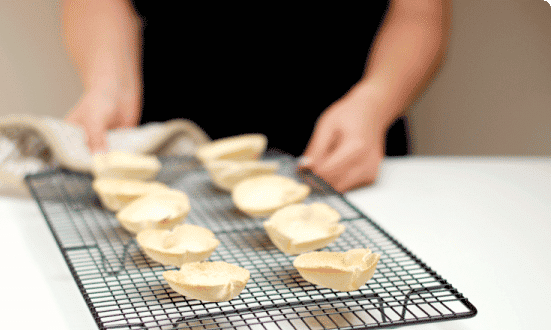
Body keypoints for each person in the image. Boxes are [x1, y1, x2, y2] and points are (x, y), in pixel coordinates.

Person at [61, 0, 450, 193]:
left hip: (346, 138)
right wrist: (108, 83)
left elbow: (418, 10)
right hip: (174, 145)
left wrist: (375, 102)